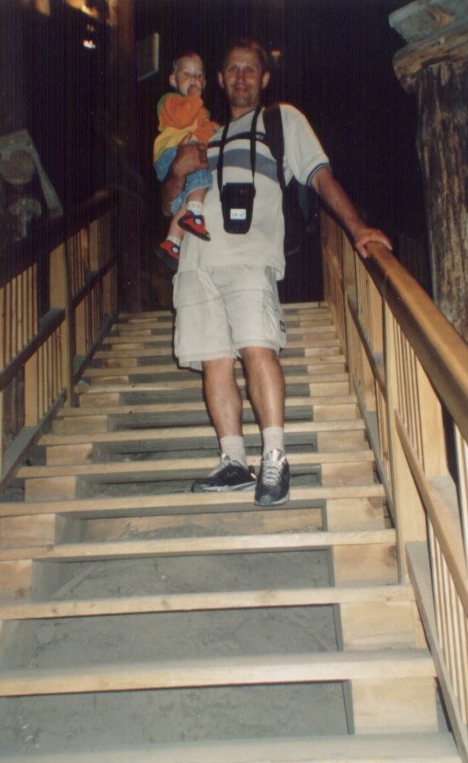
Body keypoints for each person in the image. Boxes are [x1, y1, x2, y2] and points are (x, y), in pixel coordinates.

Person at [161, 38, 392, 506]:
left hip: (249, 257)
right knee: (214, 361)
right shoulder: (202, 132)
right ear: (219, 79)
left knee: (257, 349)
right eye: (232, 69)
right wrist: (178, 171)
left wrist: (357, 227)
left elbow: (319, 175)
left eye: (251, 69)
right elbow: (170, 201)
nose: (241, 77)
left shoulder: (281, 120)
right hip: (196, 262)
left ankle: (274, 457)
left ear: (265, 78)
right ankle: (232, 461)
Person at [153, 52, 218, 271]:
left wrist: (213, 128)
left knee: (187, 197)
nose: (193, 79)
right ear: (173, 80)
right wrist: (194, 97)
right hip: (171, 152)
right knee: (202, 173)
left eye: (198, 75)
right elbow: (183, 118)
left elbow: (202, 132)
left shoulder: (200, 109)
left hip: (184, 152)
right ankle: (196, 216)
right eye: (186, 74)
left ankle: (172, 242)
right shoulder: (169, 101)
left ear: (205, 82)